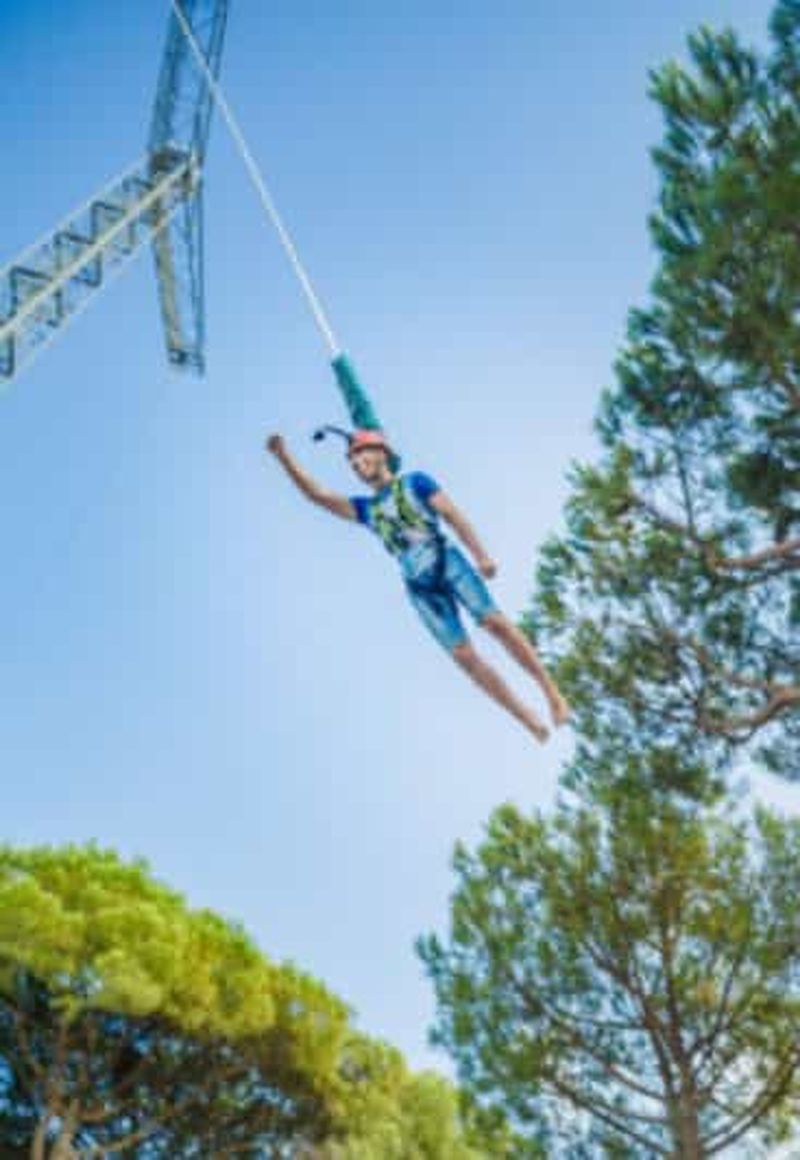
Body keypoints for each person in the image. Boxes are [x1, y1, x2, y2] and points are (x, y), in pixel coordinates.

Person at [266, 429, 570, 744]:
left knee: (493, 622)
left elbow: (453, 515)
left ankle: (551, 692)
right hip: (420, 586)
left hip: (446, 560)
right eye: (351, 464)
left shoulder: (416, 482)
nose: (356, 466)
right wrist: (284, 457)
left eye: (359, 457)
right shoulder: (366, 509)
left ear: (381, 452)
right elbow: (318, 496)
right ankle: (527, 719)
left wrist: (481, 555)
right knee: (464, 656)